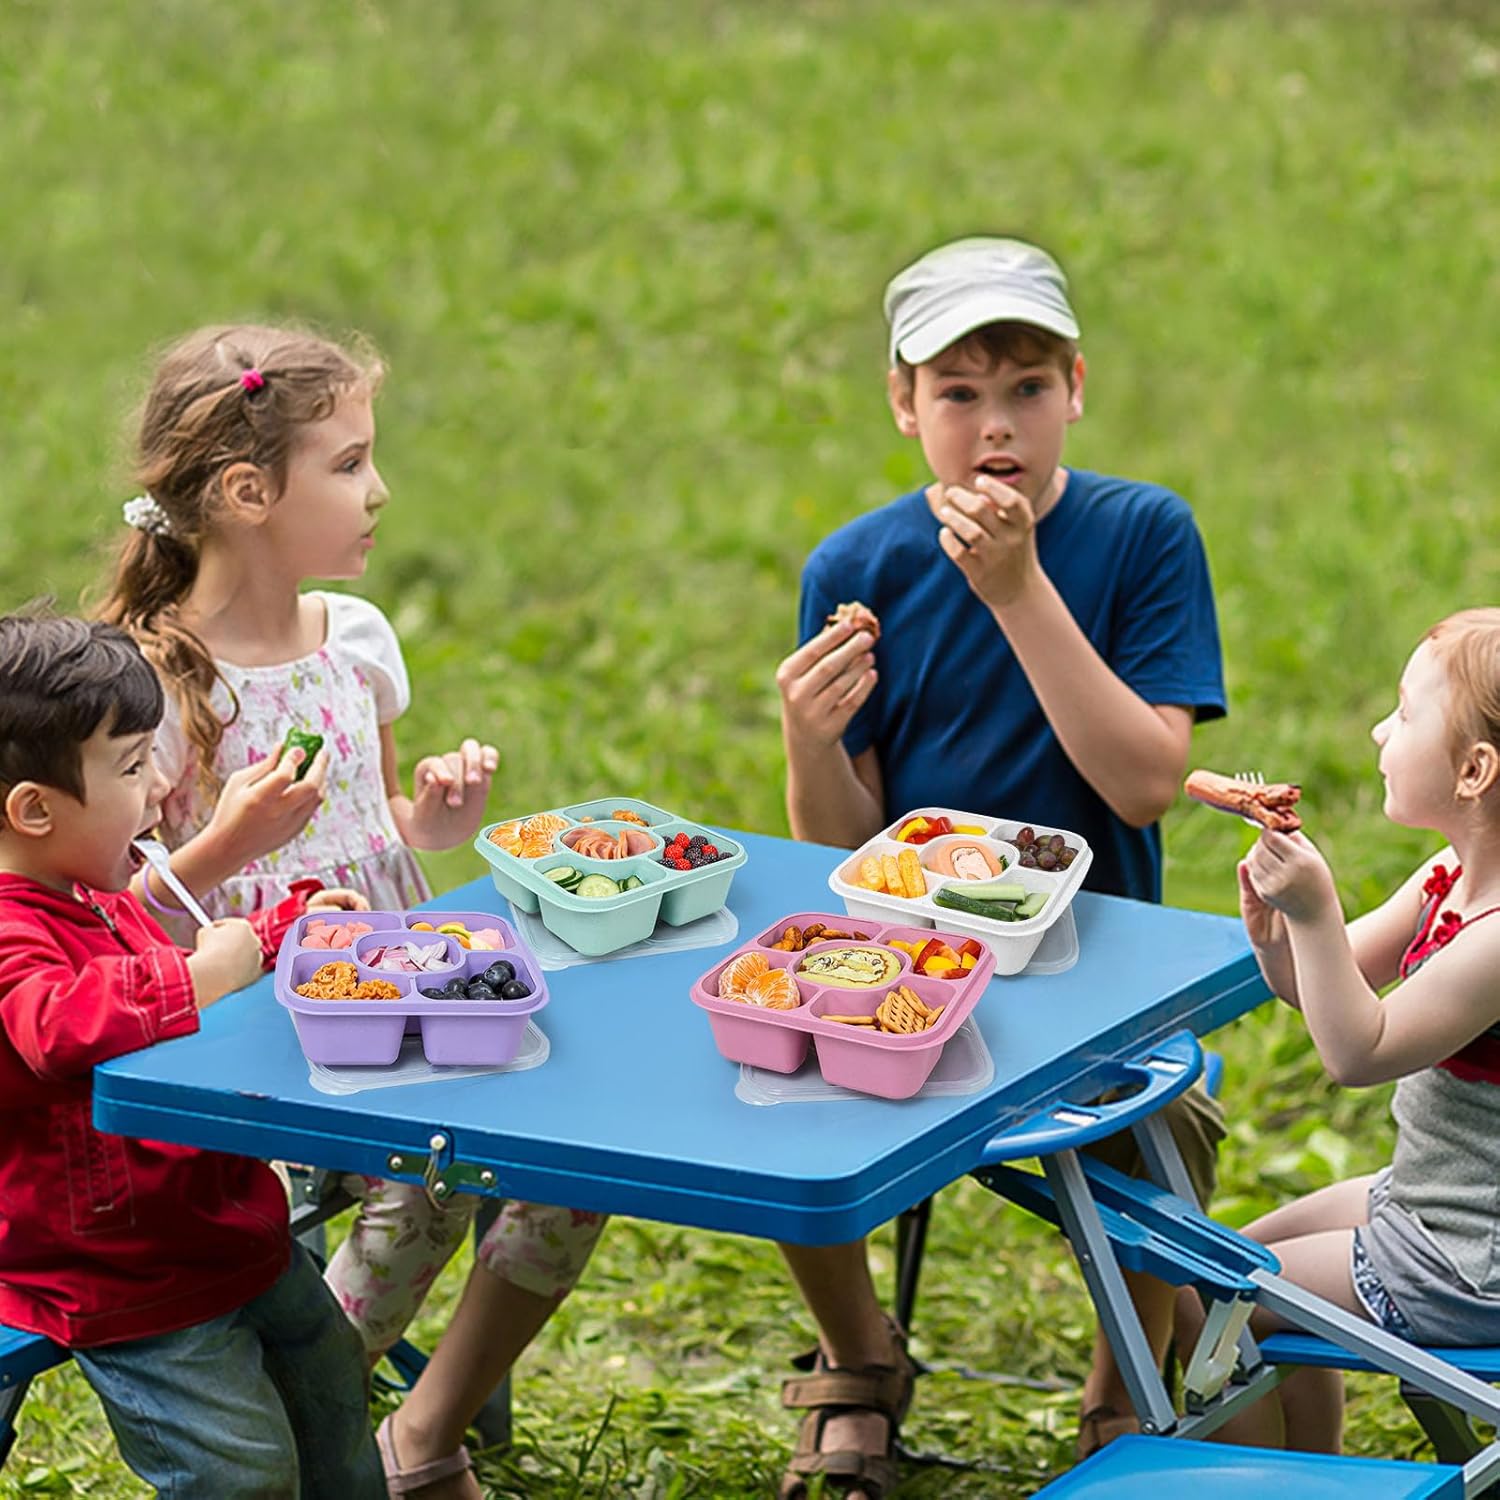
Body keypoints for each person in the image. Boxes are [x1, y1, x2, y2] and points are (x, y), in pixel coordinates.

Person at [95, 324, 607, 1497]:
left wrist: (431, 813)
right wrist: (229, 842)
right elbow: (117, 919)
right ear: (246, 492)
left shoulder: (355, 641)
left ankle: (421, 1434)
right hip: (258, 1032)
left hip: (411, 993)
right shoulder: (156, 682)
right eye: (349, 464)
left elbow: (381, 829)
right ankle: (306, 1403)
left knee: (572, 1167)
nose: (378, 491)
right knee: (432, 1178)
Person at [772, 236, 1228, 1496]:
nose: (995, 425)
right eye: (957, 393)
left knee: (1171, 1120)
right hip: (914, 944)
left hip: (1101, 947)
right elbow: (836, 842)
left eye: (1026, 387)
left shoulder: (1140, 534)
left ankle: (1121, 1385)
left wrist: (1020, 591)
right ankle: (858, 1361)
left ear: (1076, 388)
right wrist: (810, 738)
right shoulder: (856, 567)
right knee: (773, 1084)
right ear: (901, 403)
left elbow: (1143, 781)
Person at [0, 612, 384, 1498]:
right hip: (127, 1274)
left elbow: (192, 957)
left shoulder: (87, 887)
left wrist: (292, 930)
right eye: (132, 767)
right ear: (33, 809)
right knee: (240, 1474)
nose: (160, 783)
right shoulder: (14, 928)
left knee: (333, 1396)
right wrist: (195, 979)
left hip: (227, 1225)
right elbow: (52, 1025)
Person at [1207, 609, 1500, 1452]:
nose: (1379, 728)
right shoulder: (1451, 873)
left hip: (1466, 1265)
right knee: (1216, 1268)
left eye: (1405, 714)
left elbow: (1357, 1052)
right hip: (1428, 1202)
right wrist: (1280, 935)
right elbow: (1326, 986)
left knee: (1215, 1297)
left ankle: (1267, 1481)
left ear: (1475, 770)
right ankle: (1313, 1466)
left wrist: (1316, 906)